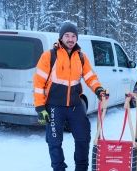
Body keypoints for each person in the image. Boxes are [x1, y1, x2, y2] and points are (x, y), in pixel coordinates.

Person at [33, 22, 106, 171]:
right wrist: (40, 107)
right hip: (54, 105)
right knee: (54, 141)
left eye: (73, 36)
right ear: (61, 37)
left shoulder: (81, 57)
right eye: (67, 35)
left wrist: (99, 90)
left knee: (83, 137)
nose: (70, 39)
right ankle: (59, 168)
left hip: (75, 104)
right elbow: (38, 82)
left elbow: (90, 77)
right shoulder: (49, 56)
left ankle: (81, 168)